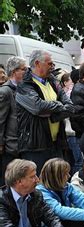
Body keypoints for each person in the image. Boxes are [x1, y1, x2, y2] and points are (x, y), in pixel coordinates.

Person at [0, 159, 78, 227]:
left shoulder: (36, 195)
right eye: (32, 177)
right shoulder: (2, 200)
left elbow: (52, 217)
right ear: (19, 181)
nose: (37, 180)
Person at [16, 50, 75, 174]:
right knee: (40, 184)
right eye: (49, 64)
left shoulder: (53, 81)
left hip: (56, 142)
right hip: (36, 146)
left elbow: (70, 107)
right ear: (38, 63)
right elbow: (38, 107)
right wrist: (58, 105)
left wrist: (52, 115)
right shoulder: (24, 85)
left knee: (59, 181)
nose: (52, 67)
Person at [0, 56, 26, 184]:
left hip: (22, 144)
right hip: (10, 146)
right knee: (8, 182)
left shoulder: (23, 89)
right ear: (15, 71)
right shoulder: (5, 91)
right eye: (23, 69)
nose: (26, 72)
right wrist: (1, 143)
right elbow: (1, 121)